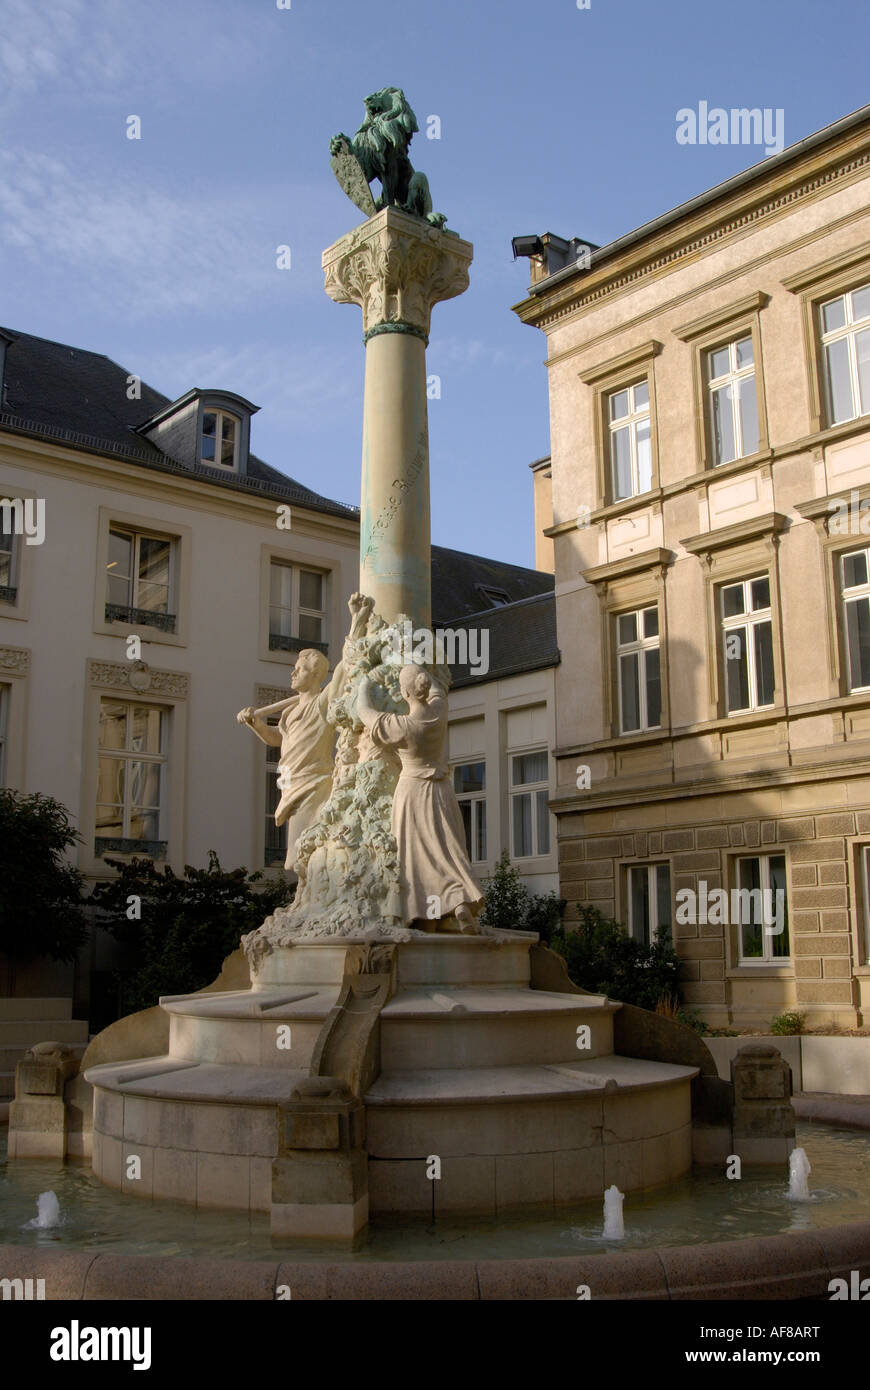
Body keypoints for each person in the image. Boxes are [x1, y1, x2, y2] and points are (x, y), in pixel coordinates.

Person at [237, 593, 373, 871]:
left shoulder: (323, 703)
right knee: (302, 850)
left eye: (298, 669)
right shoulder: (289, 712)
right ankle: (308, 896)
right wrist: (257, 725)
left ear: (314, 674)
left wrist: (357, 621)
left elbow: (344, 670)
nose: (292, 673)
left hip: (313, 783)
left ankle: (311, 897)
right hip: (291, 783)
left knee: (305, 851)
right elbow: (278, 740)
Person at [356, 663, 483, 933]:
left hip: (412, 792)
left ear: (404, 693)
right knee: (445, 851)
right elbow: (437, 692)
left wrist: (366, 682)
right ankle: (458, 900)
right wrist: (421, 669)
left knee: (415, 858)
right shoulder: (438, 712)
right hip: (441, 791)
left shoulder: (402, 726)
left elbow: (363, 712)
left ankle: (425, 914)